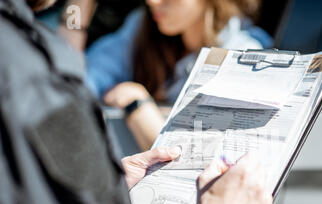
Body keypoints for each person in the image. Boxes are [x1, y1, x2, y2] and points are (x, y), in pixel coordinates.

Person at [0, 0, 274, 204]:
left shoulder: (251, 55)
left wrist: (139, 110)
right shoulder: (137, 29)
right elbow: (82, 82)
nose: (153, 1)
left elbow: (206, 160)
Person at [85, 0, 273, 150]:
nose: (152, 2)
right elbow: (90, 75)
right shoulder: (142, 26)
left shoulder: (244, 57)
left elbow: (195, 161)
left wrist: (137, 105)